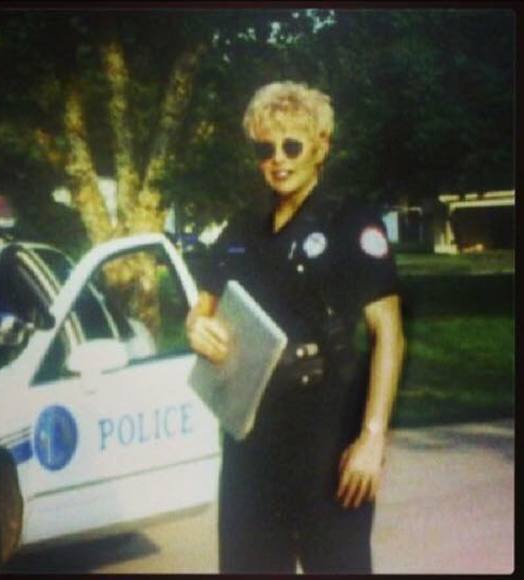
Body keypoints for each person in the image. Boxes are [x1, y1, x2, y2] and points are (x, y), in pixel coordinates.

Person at [186, 81, 405, 574]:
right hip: (250, 437)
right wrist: (197, 328)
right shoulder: (243, 227)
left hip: (327, 434)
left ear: (321, 146)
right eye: (265, 149)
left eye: (291, 146)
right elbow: (203, 306)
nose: (278, 160)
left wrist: (372, 438)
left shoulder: (351, 223)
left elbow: (388, 333)